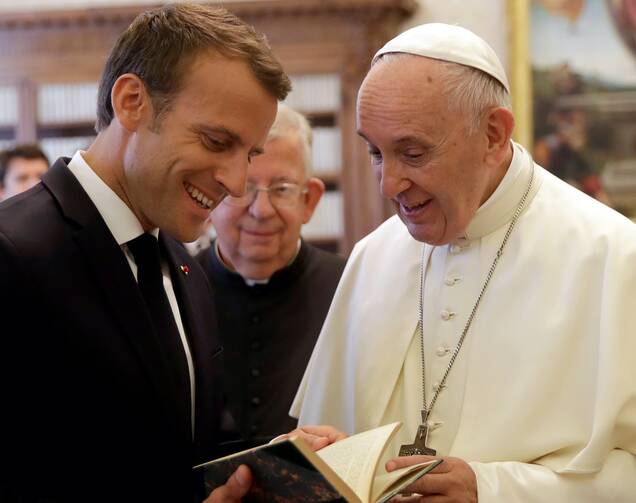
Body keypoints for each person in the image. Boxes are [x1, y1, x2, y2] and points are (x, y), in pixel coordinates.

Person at [292, 23, 636, 501]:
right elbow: (342, 444)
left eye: (412, 152)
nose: (388, 184)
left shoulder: (614, 258)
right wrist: (331, 461)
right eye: (375, 152)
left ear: (493, 135)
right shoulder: (374, 257)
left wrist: (492, 491)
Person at [0, 4, 291, 502]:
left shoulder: (184, 268)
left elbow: (186, 449)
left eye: (249, 153)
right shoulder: (13, 255)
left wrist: (284, 461)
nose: (237, 183)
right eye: (216, 140)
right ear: (133, 101)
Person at [196, 104, 346, 451]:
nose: (261, 211)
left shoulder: (350, 289)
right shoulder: (177, 289)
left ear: (309, 201)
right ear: (212, 197)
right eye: (243, 189)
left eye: (281, 189)